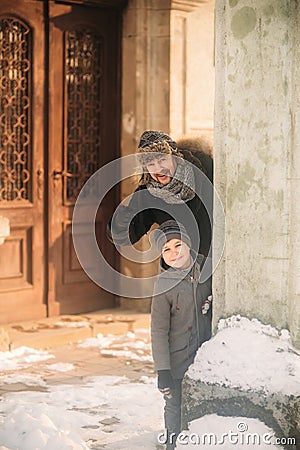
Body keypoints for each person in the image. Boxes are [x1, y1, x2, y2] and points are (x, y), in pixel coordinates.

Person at [151, 220, 212, 449]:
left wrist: (211, 304)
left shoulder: (206, 271)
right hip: (177, 359)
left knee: (200, 405)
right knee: (174, 405)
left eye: (178, 245)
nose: (173, 253)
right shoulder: (163, 284)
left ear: (189, 245)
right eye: (166, 249)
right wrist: (163, 371)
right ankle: (172, 444)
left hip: (205, 354)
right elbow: (158, 330)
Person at [106, 130, 213, 257]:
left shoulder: (204, 170)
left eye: (162, 160)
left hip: (218, 260)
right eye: (151, 164)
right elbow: (127, 235)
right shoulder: (148, 194)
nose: (158, 169)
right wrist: (122, 221)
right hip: (181, 267)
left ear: (175, 157)